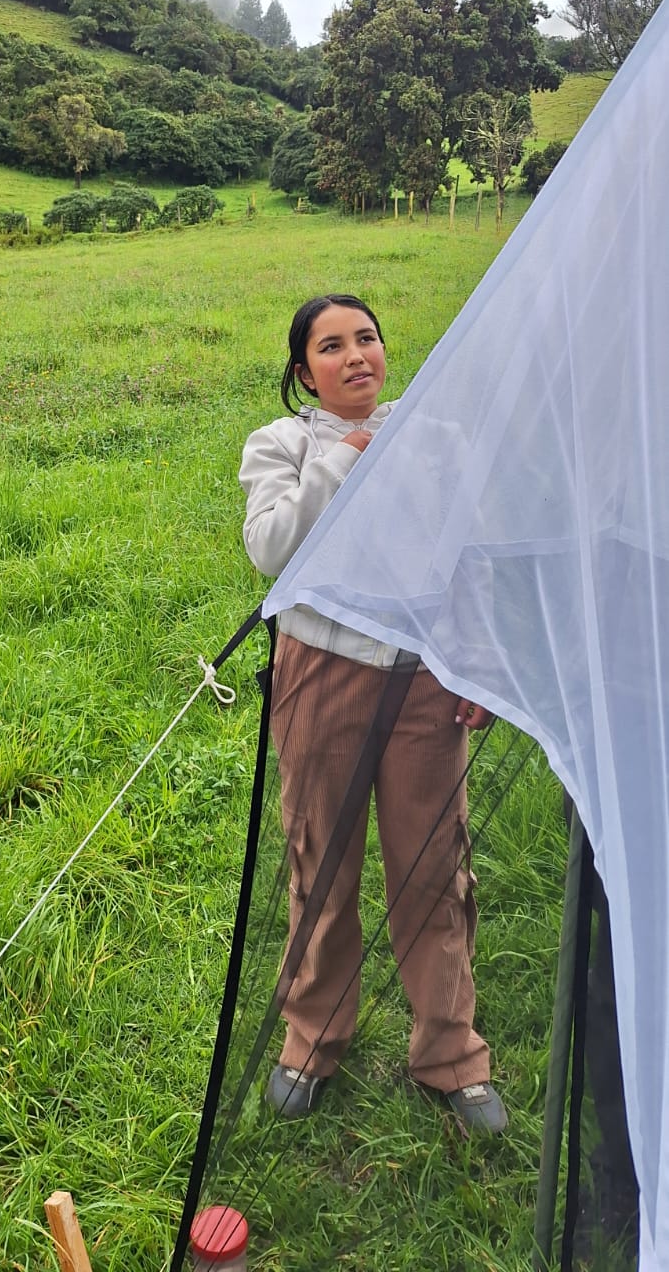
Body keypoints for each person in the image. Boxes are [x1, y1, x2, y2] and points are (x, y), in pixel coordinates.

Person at [239, 294, 507, 1133]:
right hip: (322, 670)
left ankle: (451, 1054)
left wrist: (478, 657)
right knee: (322, 862)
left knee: (433, 862)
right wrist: (348, 453)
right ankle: (312, 1037)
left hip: (426, 670)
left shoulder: (436, 437)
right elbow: (274, 549)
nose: (356, 355)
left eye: (367, 338)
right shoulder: (281, 445)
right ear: (302, 372)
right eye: (331, 346)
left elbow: (473, 551)